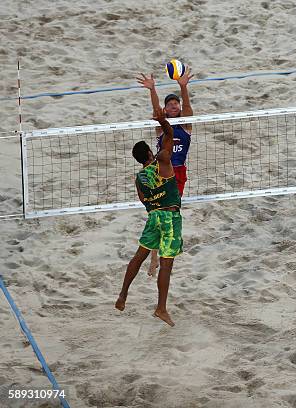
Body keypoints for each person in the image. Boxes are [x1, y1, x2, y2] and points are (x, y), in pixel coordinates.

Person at [115, 110, 183, 327]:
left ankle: (123, 294)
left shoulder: (139, 178)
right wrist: (162, 120)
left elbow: (145, 202)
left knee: (138, 257)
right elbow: (170, 134)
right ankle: (161, 308)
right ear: (150, 153)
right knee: (166, 265)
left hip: (153, 217)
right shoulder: (162, 160)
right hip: (170, 217)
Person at [137, 67, 194, 277]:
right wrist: (152, 90)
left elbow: (187, 106)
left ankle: (160, 255)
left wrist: (183, 87)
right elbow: (156, 111)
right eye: (170, 104)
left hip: (178, 174)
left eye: (176, 104)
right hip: (160, 173)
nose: (174, 106)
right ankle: (154, 258)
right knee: (158, 214)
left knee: (169, 213)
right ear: (166, 109)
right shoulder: (161, 127)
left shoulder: (186, 125)